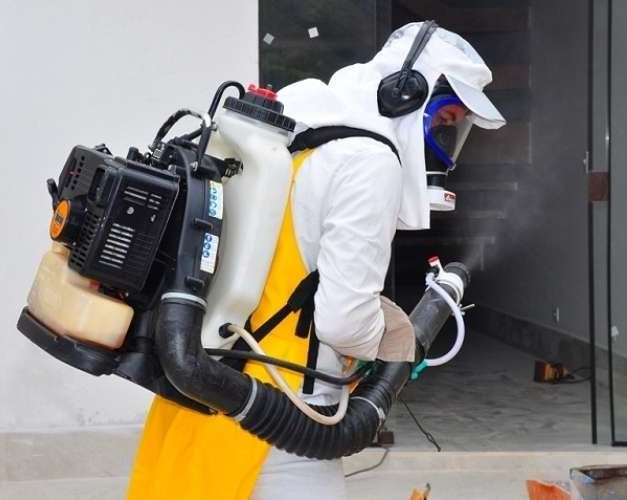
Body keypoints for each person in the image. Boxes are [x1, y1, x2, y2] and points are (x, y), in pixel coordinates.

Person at [126, 21, 505, 500]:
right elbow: (344, 323)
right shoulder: (369, 162)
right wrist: (388, 336)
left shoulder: (298, 132)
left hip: (207, 390)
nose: (445, 144)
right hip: (279, 416)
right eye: (444, 121)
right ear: (406, 94)